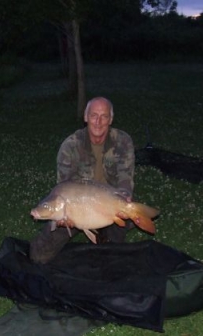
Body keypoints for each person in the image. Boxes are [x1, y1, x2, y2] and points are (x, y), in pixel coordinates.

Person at [30, 97, 135, 264]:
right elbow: (64, 185)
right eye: (94, 115)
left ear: (111, 119)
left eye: (104, 116)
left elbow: (125, 179)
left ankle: (106, 234)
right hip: (77, 207)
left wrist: (125, 196)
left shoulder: (122, 141)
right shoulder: (70, 146)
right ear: (85, 117)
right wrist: (64, 219)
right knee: (39, 255)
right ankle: (95, 231)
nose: (98, 122)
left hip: (109, 204)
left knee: (111, 256)